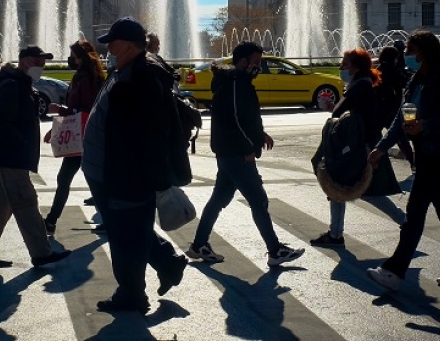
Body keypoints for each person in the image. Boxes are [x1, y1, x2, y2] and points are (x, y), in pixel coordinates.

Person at [82, 17, 191, 313]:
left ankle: (131, 294)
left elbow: (148, 134)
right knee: (130, 229)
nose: (108, 47)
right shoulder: (126, 70)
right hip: (109, 170)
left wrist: (146, 178)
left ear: (129, 45)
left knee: (124, 236)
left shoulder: (140, 78)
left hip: (123, 174)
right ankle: (168, 264)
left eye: (113, 42)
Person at [366, 30, 440, 290]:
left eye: (410, 51)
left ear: (424, 52)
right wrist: (382, 148)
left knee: (415, 212)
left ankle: (394, 271)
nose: (407, 56)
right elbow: (402, 117)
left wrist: (425, 126)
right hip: (426, 152)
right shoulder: (417, 80)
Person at [186, 41, 305, 267]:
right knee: (258, 200)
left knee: (219, 199)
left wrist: (261, 135)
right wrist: (249, 147)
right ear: (243, 61)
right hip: (236, 154)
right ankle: (275, 250)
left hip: (230, 152)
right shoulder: (234, 83)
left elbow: (243, 117)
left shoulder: (237, 81)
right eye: (256, 62)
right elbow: (234, 121)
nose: (258, 67)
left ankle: (198, 245)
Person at [0, 45, 72, 269]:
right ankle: (41, 253)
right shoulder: (12, 85)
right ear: (25, 62)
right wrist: (22, 144)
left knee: (0, 206)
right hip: (10, 157)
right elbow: (1, 123)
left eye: (43, 62)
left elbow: (18, 116)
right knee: (26, 202)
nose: (42, 66)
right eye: (38, 62)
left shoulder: (19, 83)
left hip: (4, 155)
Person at [310, 49, 387, 246]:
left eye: (345, 63)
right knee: (338, 186)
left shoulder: (360, 88)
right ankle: (335, 234)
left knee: (364, 190)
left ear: (355, 66)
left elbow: (343, 113)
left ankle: (407, 224)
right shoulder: (360, 85)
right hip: (356, 145)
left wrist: (332, 108)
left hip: (356, 148)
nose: (341, 67)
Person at [43, 39, 105, 235]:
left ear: (81, 58)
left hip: (81, 135)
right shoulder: (90, 76)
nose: (70, 59)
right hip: (85, 134)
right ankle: (51, 220)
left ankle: (52, 220)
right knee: (86, 178)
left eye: (73, 56)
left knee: (68, 178)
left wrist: (59, 109)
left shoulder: (85, 78)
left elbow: (83, 108)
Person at [377, 46, 415, 172]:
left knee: (374, 135)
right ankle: (413, 162)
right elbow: (404, 83)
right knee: (400, 137)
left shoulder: (378, 70)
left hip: (380, 108)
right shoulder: (395, 71)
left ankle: (373, 163)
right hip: (392, 107)